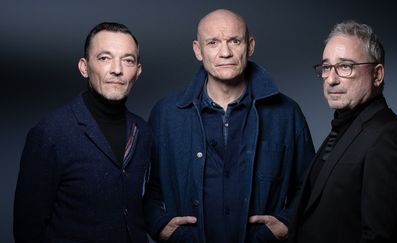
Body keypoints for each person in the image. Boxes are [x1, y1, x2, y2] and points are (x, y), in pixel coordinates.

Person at [143, 9, 315, 243]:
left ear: (250, 46)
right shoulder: (166, 114)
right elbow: (147, 186)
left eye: (235, 41)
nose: (225, 52)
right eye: (213, 43)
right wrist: (161, 227)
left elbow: (309, 185)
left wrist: (283, 225)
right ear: (198, 50)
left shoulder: (286, 113)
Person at [13, 22, 152, 243]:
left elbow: (143, 207)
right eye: (105, 58)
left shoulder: (143, 132)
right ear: (84, 67)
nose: (117, 69)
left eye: (128, 60)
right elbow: (28, 229)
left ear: (138, 71)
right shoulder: (50, 133)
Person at [289, 20, 397, 243]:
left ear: (377, 75)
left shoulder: (389, 136)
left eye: (345, 66)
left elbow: (379, 237)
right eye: (327, 67)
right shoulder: (345, 126)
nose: (331, 79)